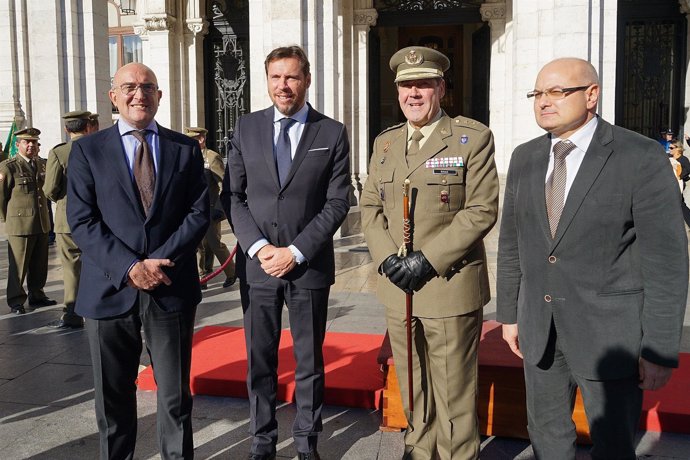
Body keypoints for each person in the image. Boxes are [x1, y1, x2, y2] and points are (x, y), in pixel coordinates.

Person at [496, 57, 688, 459]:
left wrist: (658, 348)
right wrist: (509, 315)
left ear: (591, 95)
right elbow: (513, 242)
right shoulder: (524, 157)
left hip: (609, 337)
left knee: (614, 444)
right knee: (546, 436)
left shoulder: (637, 156)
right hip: (540, 330)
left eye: (557, 92)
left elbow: (666, 261)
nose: (544, 102)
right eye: (537, 94)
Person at [361, 46, 499, 460]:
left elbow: (481, 210)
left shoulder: (470, 137)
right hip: (398, 287)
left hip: (447, 284)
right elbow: (370, 207)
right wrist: (388, 258)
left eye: (423, 84)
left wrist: (426, 260)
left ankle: (458, 454)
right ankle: (419, 448)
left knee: (453, 386)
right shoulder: (385, 143)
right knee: (413, 379)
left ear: (441, 88)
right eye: (406, 85)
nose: (413, 93)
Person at [67, 63, 209, 459]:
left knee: (175, 397)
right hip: (109, 290)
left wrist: (160, 262)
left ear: (160, 96)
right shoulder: (87, 150)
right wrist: (131, 267)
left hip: (170, 287)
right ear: (114, 97)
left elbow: (199, 213)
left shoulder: (184, 148)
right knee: (113, 401)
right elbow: (81, 219)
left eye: (147, 87)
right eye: (128, 87)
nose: (138, 94)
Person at [220, 45, 351, 460]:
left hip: (307, 267)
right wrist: (258, 249)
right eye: (276, 77)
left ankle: (306, 442)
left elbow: (338, 201)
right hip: (258, 268)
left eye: (292, 77)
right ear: (267, 80)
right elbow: (233, 196)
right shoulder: (246, 128)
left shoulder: (331, 132)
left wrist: (295, 251)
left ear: (307, 80)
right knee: (260, 360)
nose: (284, 86)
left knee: (309, 362)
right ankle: (262, 440)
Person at [43, 110, 92, 328]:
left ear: (66, 129)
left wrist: (61, 199)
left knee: (71, 267)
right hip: (97, 216)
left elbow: (50, 188)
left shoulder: (60, 152)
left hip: (68, 217)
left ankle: (72, 314)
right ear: (88, 126)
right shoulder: (98, 147)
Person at [0, 127, 57, 314]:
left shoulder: (42, 164)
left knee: (39, 263)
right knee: (19, 264)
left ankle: (37, 294)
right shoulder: (9, 167)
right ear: (18, 145)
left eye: (34, 142)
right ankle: (16, 300)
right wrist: (7, 219)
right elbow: (2, 196)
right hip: (20, 225)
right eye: (27, 142)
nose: (31, 145)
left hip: (41, 221)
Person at [185, 126, 236, 289]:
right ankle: (202, 277)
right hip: (193, 210)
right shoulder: (188, 156)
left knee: (214, 244)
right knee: (198, 245)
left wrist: (220, 209)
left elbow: (223, 183)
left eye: (192, 139)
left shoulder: (212, 157)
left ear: (201, 139)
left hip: (210, 208)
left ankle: (231, 273)